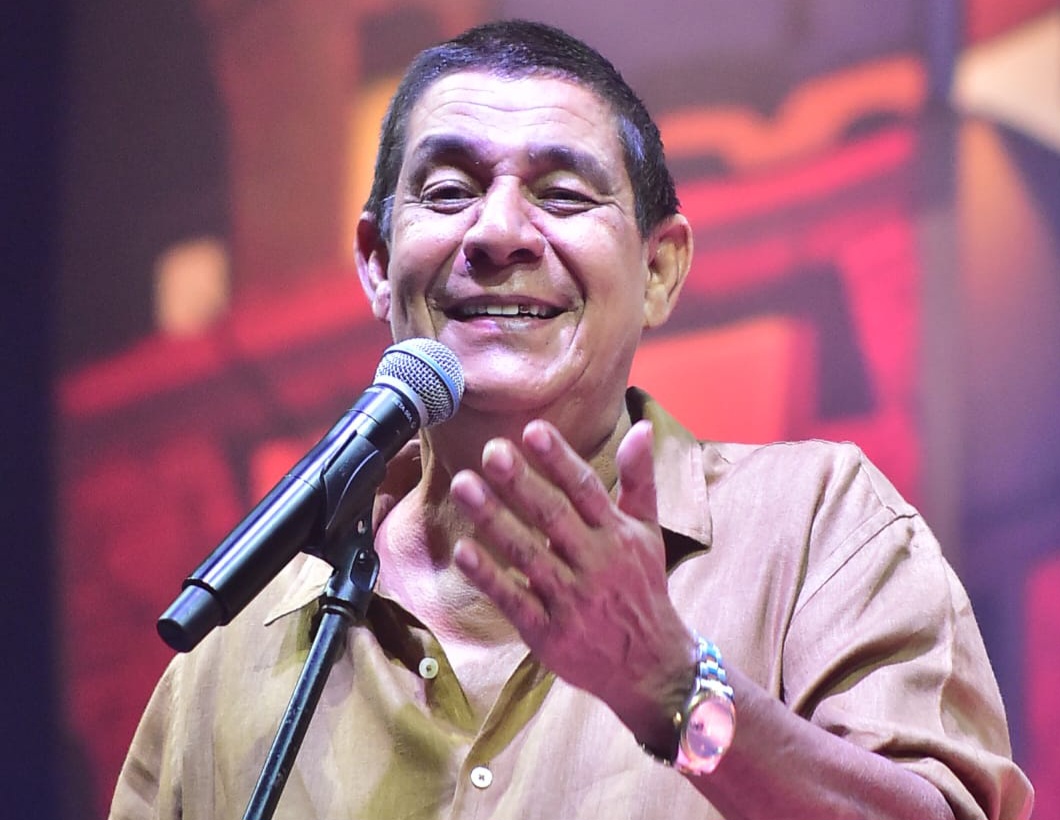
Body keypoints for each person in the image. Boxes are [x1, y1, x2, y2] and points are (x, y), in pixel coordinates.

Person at [109, 19, 1033, 820]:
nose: (497, 233)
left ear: (659, 271)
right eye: (447, 191)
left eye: (561, 194)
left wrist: (678, 696)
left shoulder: (818, 529)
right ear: (377, 262)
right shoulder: (238, 647)